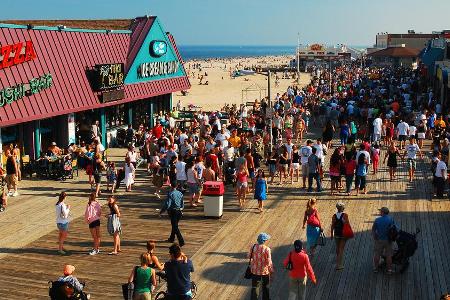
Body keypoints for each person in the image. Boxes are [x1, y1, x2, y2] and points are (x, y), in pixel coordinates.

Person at [249, 233, 274, 300]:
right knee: (265, 287)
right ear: (264, 241)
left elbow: (249, 256)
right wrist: (271, 271)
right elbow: (269, 262)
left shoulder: (253, 247)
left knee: (255, 287)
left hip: (255, 271)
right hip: (264, 272)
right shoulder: (267, 249)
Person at [160, 182, 185, 247]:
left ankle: (181, 241)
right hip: (179, 211)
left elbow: (167, 204)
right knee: (174, 225)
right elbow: (182, 203)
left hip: (173, 212)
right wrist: (181, 209)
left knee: (175, 227)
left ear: (171, 186)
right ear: (177, 186)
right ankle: (171, 238)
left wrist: (162, 211)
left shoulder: (170, 194)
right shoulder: (180, 193)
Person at [372, 207, 396, 274]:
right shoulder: (390, 219)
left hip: (379, 239)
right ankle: (389, 270)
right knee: (389, 255)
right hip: (388, 240)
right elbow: (394, 229)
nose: (380, 212)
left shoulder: (377, 220)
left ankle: (375, 269)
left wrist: (374, 236)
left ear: (382, 212)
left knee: (377, 254)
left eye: (380, 211)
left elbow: (373, 229)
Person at [330, 202, 350, 270]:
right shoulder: (345, 215)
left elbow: (332, 225)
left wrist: (331, 234)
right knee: (341, 249)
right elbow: (347, 224)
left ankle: (338, 260)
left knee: (338, 248)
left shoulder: (334, 216)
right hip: (343, 234)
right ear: (343, 208)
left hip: (336, 233)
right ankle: (339, 264)